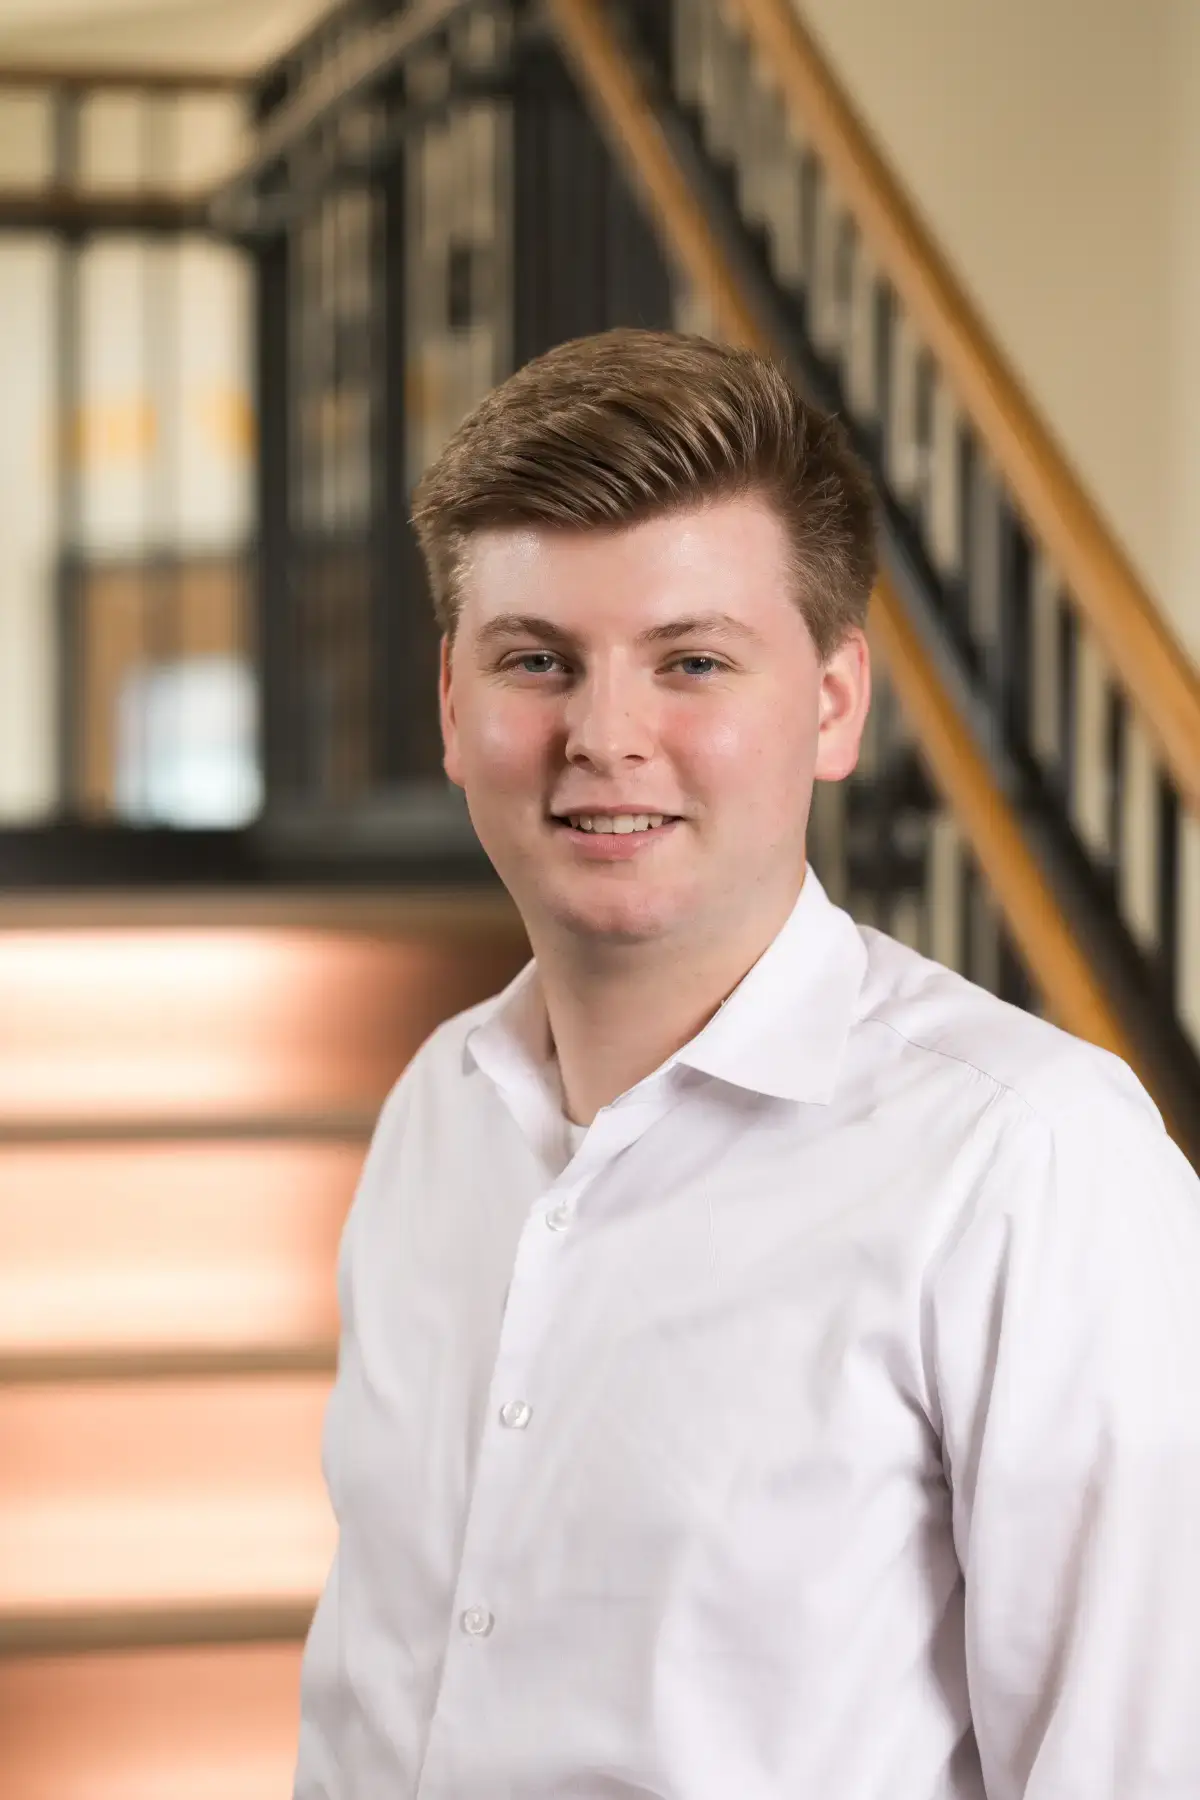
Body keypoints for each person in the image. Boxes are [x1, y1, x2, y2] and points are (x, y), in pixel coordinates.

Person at [293, 330, 1200, 1800]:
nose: (604, 737)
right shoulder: (434, 1113)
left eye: (691, 661)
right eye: (537, 662)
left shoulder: (1030, 1164)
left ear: (834, 705)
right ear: (455, 710)